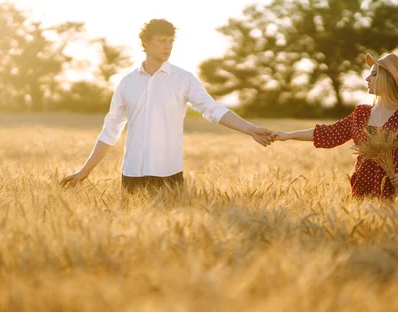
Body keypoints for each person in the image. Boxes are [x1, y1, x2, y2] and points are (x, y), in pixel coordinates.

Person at [60, 19, 273, 192]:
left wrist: (251, 129)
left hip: (168, 175)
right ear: (145, 43)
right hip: (131, 175)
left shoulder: (183, 79)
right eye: (162, 40)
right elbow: (110, 132)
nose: (167, 46)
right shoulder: (127, 82)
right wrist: (84, 171)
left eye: (171, 41)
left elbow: (213, 109)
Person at [269, 53, 398, 199]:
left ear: (388, 79)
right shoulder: (361, 113)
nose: (367, 79)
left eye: (374, 74)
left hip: (396, 192)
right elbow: (328, 133)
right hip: (362, 188)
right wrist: (289, 135)